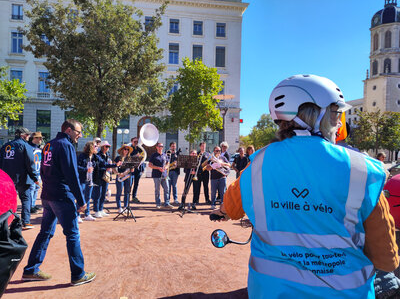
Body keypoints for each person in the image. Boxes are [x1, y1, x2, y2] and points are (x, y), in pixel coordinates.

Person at [212, 74, 398, 298]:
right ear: (317, 114)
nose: (339, 122)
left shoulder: (257, 166)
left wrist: (221, 212)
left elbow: (231, 207)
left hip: (269, 291)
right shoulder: (361, 170)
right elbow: (386, 258)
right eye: (336, 113)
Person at [22, 119, 95, 286]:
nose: (80, 135)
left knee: (45, 233)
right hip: (62, 196)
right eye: (78, 132)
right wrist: (82, 200)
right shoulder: (66, 145)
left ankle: (31, 270)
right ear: (69, 130)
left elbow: (41, 168)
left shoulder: (49, 144)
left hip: (48, 195)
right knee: (72, 234)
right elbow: (72, 174)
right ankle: (78, 274)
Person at [0, 127, 39, 229]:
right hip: (22, 178)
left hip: (6, 179)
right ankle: (25, 222)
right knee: (26, 199)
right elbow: (30, 164)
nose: (29, 137)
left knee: (6, 201)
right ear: (23, 135)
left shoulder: (5, 146)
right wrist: (35, 178)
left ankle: (4, 223)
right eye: (27, 135)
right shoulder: (26, 146)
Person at [92, 141, 117, 217]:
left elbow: (106, 164)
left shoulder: (107, 155)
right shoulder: (97, 155)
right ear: (102, 147)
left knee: (103, 194)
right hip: (98, 176)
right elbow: (103, 164)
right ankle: (96, 211)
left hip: (105, 176)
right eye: (106, 146)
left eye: (108, 147)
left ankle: (101, 209)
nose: (108, 148)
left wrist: (110, 166)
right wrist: (114, 165)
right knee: (97, 194)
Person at [77, 141, 99, 221]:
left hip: (90, 180)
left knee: (88, 197)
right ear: (91, 147)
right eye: (95, 146)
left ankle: (87, 214)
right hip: (82, 180)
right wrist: (86, 169)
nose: (97, 147)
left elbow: (102, 163)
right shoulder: (82, 156)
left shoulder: (94, 157)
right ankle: (77, 215)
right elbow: (77, 166)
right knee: (81, 197)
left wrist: (115, 165)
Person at [148, 142, 172, 209]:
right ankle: (158, 203)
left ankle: (167, 203)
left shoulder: (165, 155)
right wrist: (158, 168)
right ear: (156, 147)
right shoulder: (154, 155)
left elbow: (168, 163)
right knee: (157, 190)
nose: (161, 147)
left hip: (164, 174)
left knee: (167, 189)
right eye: (159, 146)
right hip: (156, 175)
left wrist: (165, 168)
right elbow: (150, 165)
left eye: (162, 146)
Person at [114, 144, 134, 213]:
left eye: (127, 149)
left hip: (128, 177)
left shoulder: (130, 159)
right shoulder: (118, 158)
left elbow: (132, 169)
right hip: (120, 176)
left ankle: (126, 206)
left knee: (127, 192)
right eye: (125, 149)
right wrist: (118, 173)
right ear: (122, 150)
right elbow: (113, 167)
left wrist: (132, 169)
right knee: (119, 192)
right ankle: (119, 207)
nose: (126, 151)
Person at [28, 131, 43, 214]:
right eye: (39, 138)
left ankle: (33, 205)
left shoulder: (39, 149)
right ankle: (30, 206)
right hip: (32, 173)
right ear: (34, 138)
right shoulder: (29, 148)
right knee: (31, 189)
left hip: (38, 172)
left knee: (36, 189)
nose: (41, 139)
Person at [129, 137, 145, 203]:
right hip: (131, 169)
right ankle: (127, 196)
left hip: (138, 169)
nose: (136, 143)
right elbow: (128, 158)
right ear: (132, 142)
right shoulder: (129, 149)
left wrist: (143, 168)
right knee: (130, 183)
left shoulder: (140, 149)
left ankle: (134, 196)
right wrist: (136, 156)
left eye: (137, 142)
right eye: (134, 142)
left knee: (136, 184)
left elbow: (143, 158)